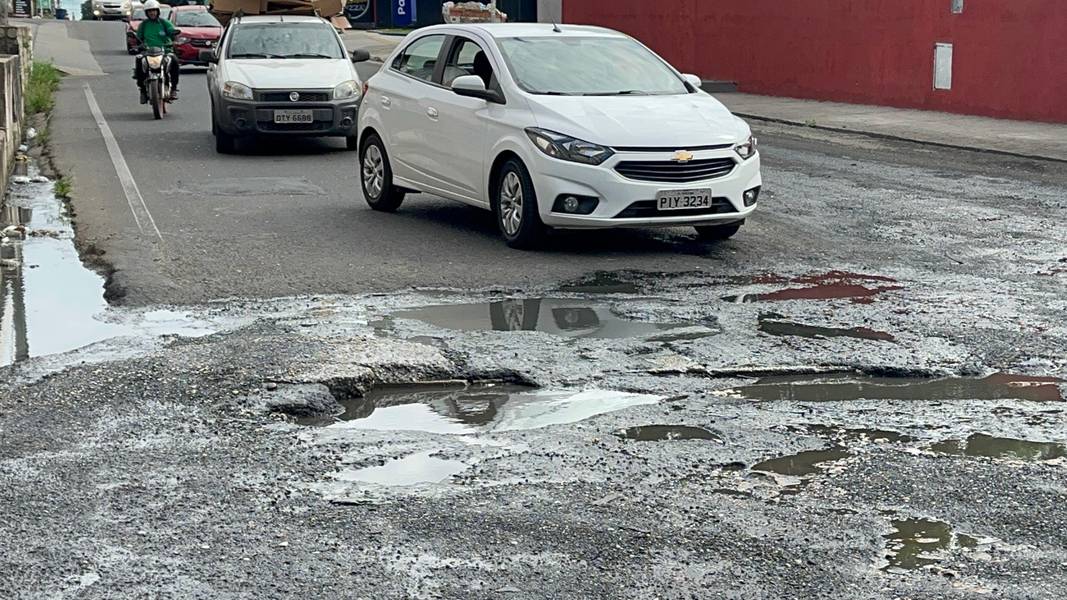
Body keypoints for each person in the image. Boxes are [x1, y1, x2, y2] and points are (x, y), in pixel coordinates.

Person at [133, 0, 180, 103]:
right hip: (148, 52)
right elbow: (138, 38)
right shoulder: (143, 25)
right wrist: (139, 45)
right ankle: (143, 90)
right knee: (139, 60)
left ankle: (173, 89)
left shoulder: (164, 23)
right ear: (146, 13)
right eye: (149, 11)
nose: (152, 13)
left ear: (158, 11)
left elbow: (172, 32)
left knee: (174, 60)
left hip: (165, 51)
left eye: (154, 11)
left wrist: (174, 37)